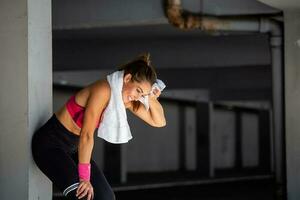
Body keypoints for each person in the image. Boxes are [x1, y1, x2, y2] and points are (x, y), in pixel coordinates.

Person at [31, 53, 166, 200]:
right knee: (83, 196)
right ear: (127, 78)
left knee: (106, 197)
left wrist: (150, 98)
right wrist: (84, 178)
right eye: (138, 90)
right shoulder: (104, 90)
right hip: (50, 145)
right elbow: (87, 134)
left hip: (73, 148)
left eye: (142, 95)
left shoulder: (125, 101)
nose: (137, 97)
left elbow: (159, 122)